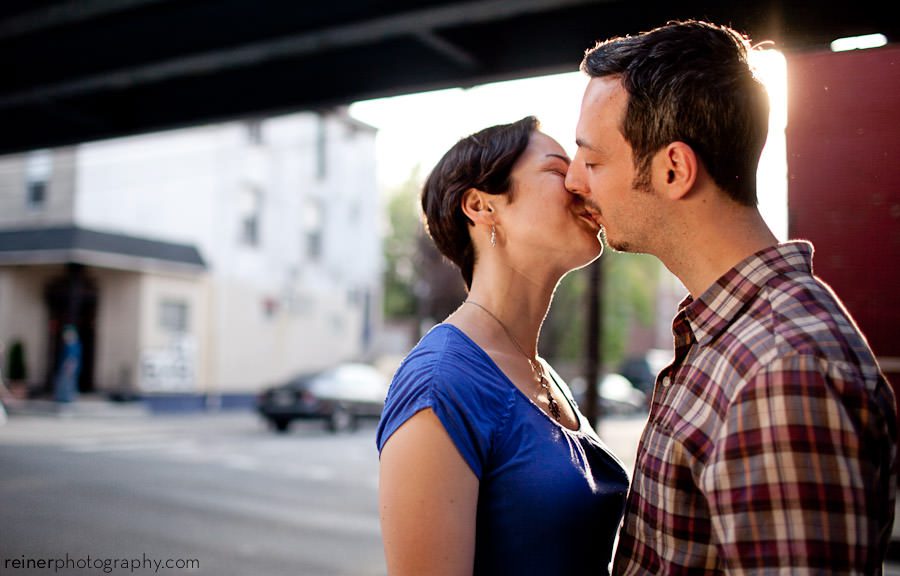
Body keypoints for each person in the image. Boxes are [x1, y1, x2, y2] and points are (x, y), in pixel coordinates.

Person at [565, 19, 898, 574]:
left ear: (674, 169)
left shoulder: (780, 369)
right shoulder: (726, 336)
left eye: (593, 161)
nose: (575, 181)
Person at [376, 116, 629, 575]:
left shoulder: (540, 373)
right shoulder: (441, 382)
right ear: (481, 205)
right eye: (557, 170)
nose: (580, 182)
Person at [54, 324, 81, 403]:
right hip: (66, 368)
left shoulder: (73, 345)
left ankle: (67, 400)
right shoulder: (70, 344)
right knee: (66, 384)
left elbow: (72, 359)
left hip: (67, 368)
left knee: (67, 385)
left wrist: (70, 368)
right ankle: (64, 399)